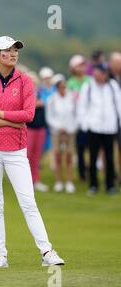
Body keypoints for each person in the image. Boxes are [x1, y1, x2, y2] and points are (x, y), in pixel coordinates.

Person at [0, 36, 65, 268]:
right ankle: (0, 255)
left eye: (15, 50)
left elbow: (28, 115)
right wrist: (9, 122)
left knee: (28, 202)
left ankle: (46, 251)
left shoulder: (25, 82)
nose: (13, 54)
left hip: (15, 150)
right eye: (7, 51)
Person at [77, 63, 121, 195]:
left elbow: (119, 105)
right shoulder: (88, 86)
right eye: (96, 73)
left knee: (109, 158)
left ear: (105, 73)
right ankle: (93, 185)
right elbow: (82, 106)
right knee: (93, 157)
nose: (98, 75)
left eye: (100, 73)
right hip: (94, 126)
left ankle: (110, 185)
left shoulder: (113, 86)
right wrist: (84, 124)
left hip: (109, 127)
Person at [46, 74, 77, 193]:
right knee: (58, 157)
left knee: (69, 156)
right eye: (60, 87)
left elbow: (75, 114)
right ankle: (58, 181)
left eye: (64, 87)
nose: (63, 89)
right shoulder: (52, 99)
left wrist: (70, 128)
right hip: (57, 132)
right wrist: (58, 127)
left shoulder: (72, 98)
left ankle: (69, 182)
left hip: (70, 131)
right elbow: (49, 117)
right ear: (57, 87)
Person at [27, 67, 55, 192]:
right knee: (28, 156)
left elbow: (46, 103)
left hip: (41, 128)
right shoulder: (26, 94)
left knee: (36, 157)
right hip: (30, 129)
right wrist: (35, 103)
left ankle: (36, 180)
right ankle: (27, 181)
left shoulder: (40, 92)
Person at [67, 54, 91, 182]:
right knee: (80, 148)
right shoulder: (70, 83)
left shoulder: (90, 80)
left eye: (83, 65)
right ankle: (82, 173)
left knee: (92, 147)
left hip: (91, 120)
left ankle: (91, 170)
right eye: (79, 65)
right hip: (75, 120)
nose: (82, 68)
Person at [108, 52, 121, 187]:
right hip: (109, 120)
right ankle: (111, 176)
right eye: (117, 63)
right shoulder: (107, 78)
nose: (119, 66)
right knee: (109, 150)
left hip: (119, 118)